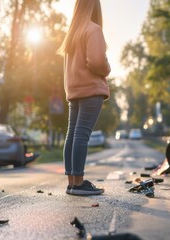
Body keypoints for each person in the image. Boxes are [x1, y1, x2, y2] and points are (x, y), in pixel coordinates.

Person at [57, 0, 110, 195]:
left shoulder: (72, 34)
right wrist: (107, 69)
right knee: (81, 134)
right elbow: (96, 61)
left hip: (74, 90)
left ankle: (72, 181)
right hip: (90, 89)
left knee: (72, 133)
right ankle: (78, 183)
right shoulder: (93, 29)